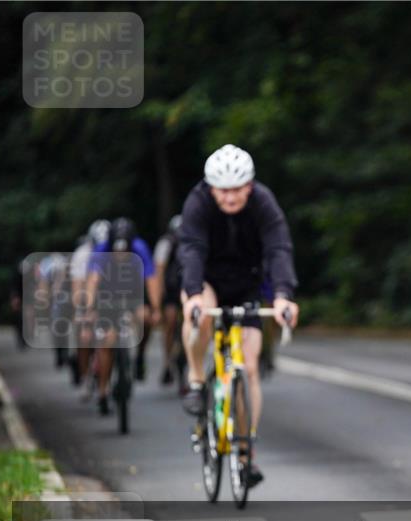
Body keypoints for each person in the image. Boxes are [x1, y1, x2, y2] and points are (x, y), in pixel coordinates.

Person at [178, 144, 299, 488]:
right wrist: (192, 295)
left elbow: (278, 248)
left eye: (237, 190)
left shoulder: (263, 202)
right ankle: (198, 378)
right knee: (201, 315)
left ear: (250, 185)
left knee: (248, 364)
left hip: (247, 283)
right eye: (223, 191)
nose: (230, 198)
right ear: (211, 187)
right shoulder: (197, 203)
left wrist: (283, 296)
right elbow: (191, 250)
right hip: (207, 279)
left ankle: (246, 454)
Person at [85, 217, 161, 414]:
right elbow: (92, 282)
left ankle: (140, 355)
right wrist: (89, 308)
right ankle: (103, 390)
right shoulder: (101, 251)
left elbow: (151, 279)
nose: (121, 255)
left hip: (132, 294)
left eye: (125, 251)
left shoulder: (140, 248)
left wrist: (155, 308)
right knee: (107, 342)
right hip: (107, 297)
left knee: (145, 319)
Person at [70, 219, 111, 391]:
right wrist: (82, 311)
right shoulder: (82, 254)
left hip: (110, 297)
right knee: (83, 335)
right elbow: (78, 285)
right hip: (87, 296)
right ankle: (85, 373)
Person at [154, 214, 186, 388]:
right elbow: (159, 271)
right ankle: (167, 362)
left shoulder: (193, 241)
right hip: (171, 290)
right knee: (170, 321)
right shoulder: (165, 244)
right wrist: (159, 301)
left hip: (188, 288)